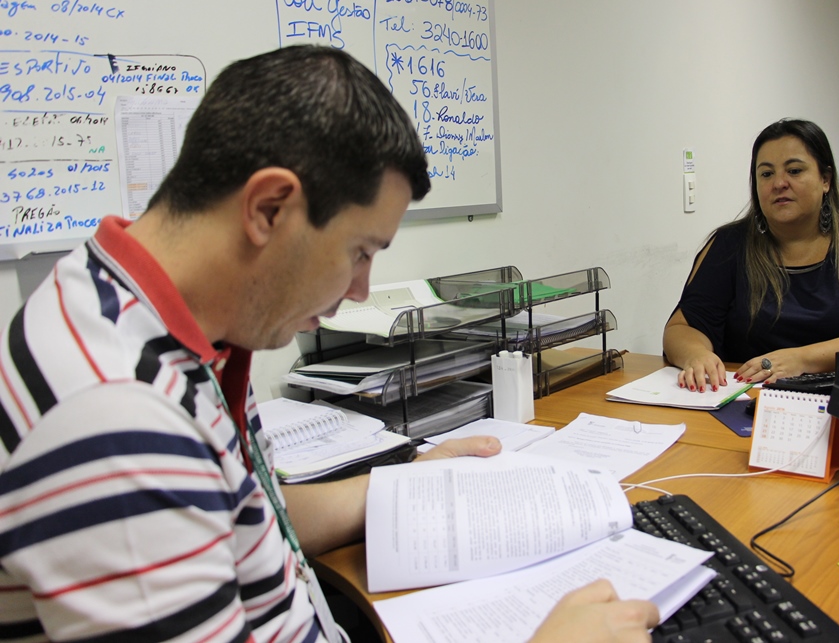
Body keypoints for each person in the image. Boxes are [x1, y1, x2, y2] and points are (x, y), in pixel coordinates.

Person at [0, 46, 658, 643]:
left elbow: (246, 510)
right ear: (269, 209)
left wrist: (410, 485)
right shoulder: (117, 420)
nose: (361, 288)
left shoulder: (148, 312)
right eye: (359, 252)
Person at [663, 118, 839, 392]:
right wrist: (697, 355)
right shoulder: (730, 244)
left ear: (826, 180)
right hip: (745, 400)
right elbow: (681, 328)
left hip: (837, 402)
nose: (779, 183)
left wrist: (801, 358)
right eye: (766, 174)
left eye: (794, 171)